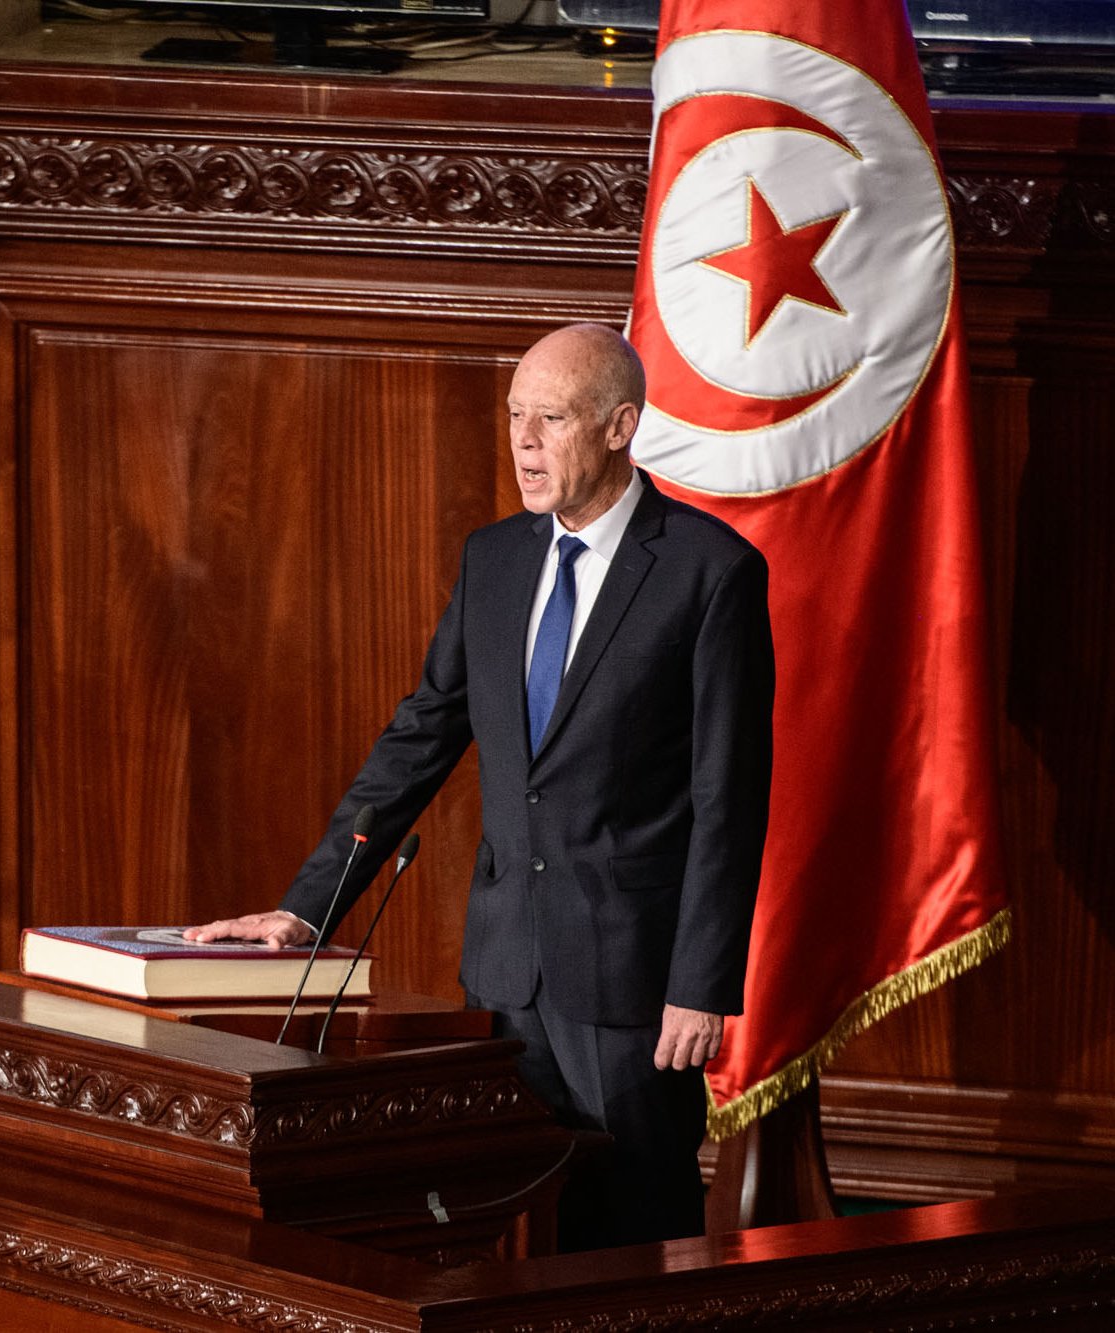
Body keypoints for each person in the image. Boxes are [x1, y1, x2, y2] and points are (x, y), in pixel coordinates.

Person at [186, 322, 774, 1249]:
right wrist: (308, 910)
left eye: (551, 418)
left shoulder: (709, 573)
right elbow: (419, 737)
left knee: (634, 1227)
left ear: (621, 425)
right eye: (514, 417)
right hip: (503, 971)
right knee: (515, 1229)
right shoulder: (493, 560)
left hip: (631, 983)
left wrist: (699, 986)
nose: (523, 443)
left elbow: (726, 799)